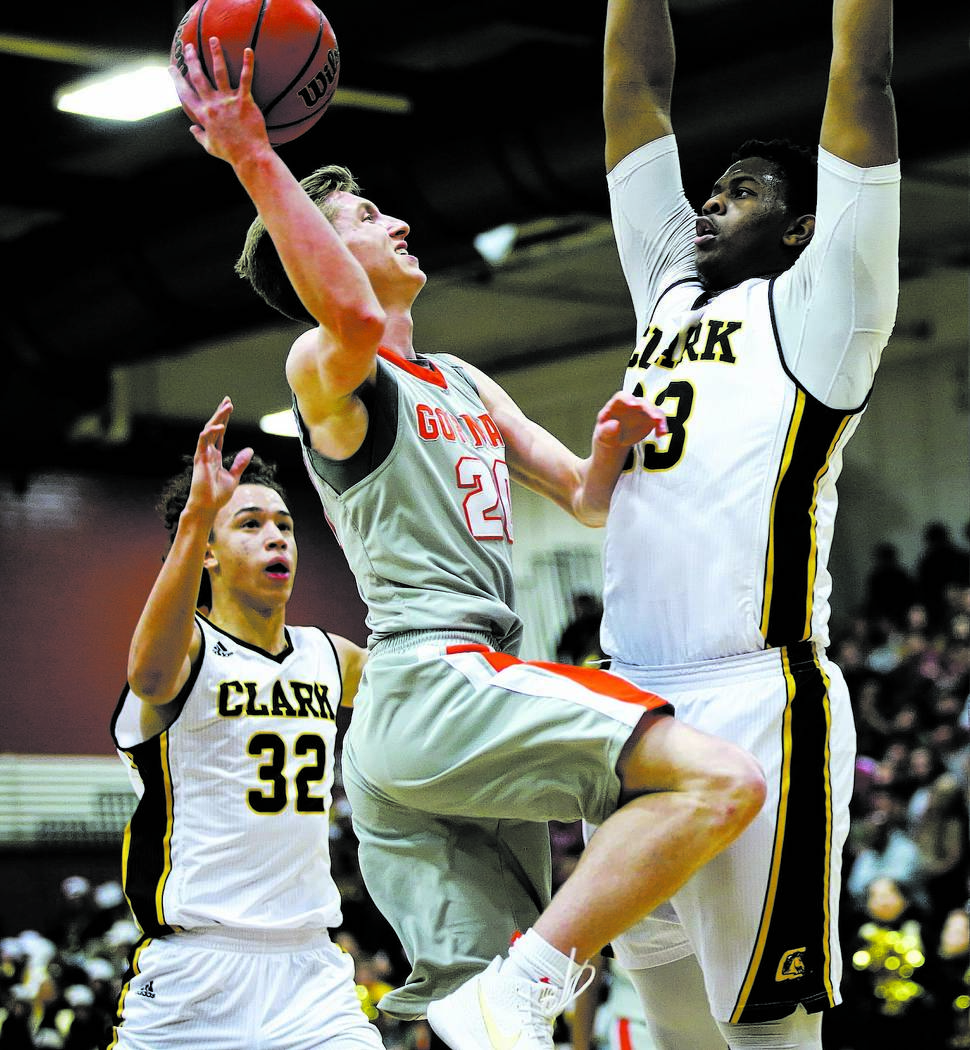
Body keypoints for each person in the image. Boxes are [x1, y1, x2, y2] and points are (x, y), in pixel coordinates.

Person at [169, 39, 768, 1050]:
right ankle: (531, 979)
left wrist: (611, 448)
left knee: (488, 1030)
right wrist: (252, 158)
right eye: (362, 218)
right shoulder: (323, 363)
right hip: (432, 680)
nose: (398, 221)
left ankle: (511, 992)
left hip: (443, 723)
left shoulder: (459, 376)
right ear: (310, 249)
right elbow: (349, 310)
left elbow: (580, 500)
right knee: (725, 779)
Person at [593, 0, 901, 1046]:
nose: (710, 206)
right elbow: (631, 96)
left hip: (755, 700)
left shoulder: (828, 302)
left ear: (802, 223)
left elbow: (861, 85)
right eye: (711, 189)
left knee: (768, 1036)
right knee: (671, 1024)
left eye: (743, 192)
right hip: (630, 710)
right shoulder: (666, 293)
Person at [107, 398, 383, 1050]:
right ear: (204, 551)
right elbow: (148, 677)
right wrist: (197, 514)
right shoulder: (185, 654)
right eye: (251, 523)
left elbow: (426, 687)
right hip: (194, 971)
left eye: (285, 525)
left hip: (310, 967)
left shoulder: (330, 656)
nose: (276, 536)